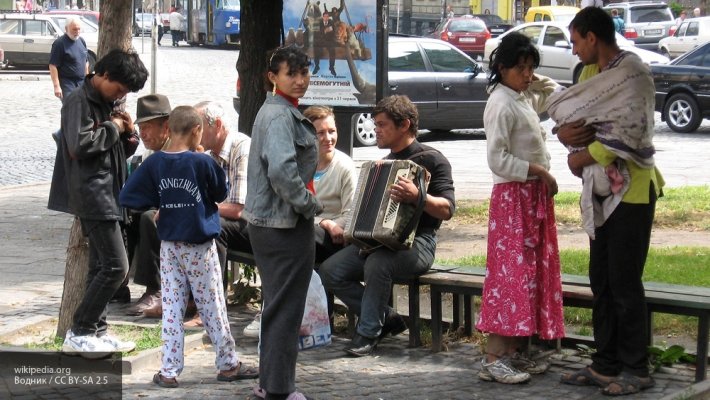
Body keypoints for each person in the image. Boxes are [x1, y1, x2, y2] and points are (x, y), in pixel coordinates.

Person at [556, 7, 663, 396]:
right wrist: (567, 137)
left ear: (591, 37)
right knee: (600, 279)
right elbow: (575, 124)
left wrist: (584, 155)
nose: (573, 50)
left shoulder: (634, 73)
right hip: (599, 193)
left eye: (574, 41)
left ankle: (636, 367)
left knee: (624, 282)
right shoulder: (586, 75)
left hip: (633, 191)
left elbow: (633, 134)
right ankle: (605, 362)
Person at [119, 105, 258, 388]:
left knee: (172, 308)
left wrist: (162, 202)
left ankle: (168, 370)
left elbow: (128, 195)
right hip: (199, 247)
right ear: (196, 131)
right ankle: (228, 363)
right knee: (213, 305)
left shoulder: (155, 163)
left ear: (168, 129)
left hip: (169, 246)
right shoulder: (203, 162)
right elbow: (220, 192)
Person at [319, 94, 456, 357]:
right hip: (377, 243)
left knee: (378, 263)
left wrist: (419, 197)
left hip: (419, 243)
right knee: (330, 270)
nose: (375, 131)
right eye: (376, 124)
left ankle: (368, 333)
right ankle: (387, 318)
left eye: (381, 125)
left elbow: (447, 209)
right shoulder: (384, 163)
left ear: (404, 125)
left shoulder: (433, 160)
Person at [474, 31, 563, 385]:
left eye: (530, 68)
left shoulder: (521, 95)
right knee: (509, 275)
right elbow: (497, 159)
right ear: (501, 67)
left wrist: (533, 75)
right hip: (514, 198)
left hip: (531, 197)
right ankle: (494, 356)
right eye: (520, 68)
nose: (527, 75)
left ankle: (512, 352)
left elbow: (554, 92)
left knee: (527, 274)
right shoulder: (501, 102)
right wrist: (538, 171)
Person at [48, 49, 148, 357]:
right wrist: (114, 128)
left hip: (112, 192)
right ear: (102, 75)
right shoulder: (78, 100)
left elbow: (117, 152)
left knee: (101, 267)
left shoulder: (107, 102)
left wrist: (129, 134)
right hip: (93, 194)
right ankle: (80, 330)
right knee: (118, 266)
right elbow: (79, 145)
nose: (121, 95)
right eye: (119, 89)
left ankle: (97, 332)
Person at [243, 45, 322, 400]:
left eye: (305, 73)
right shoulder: (278, 115)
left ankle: (270, 382)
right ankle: (278, 388)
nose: (301, 80)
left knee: (279, 306)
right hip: (282, 225)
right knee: (285, 310)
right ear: (273, 77)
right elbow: (282, 172)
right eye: (292, 74)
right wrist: (309, 205)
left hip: (276, 222)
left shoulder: (281, 111)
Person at [121, 94, 172, 315]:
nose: (143, 133)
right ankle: (117, 283)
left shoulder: (180, 149)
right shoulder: (151, 153)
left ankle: (156, 289)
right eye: (141, 127)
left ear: (166, 127)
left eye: (149, 127)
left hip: (182, 212)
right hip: (161, 207)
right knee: (124, 214)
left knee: (149, 218)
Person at [193, 101, 252, 284]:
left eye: (199, 127)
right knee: (185, 221)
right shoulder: (211, 156)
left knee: (214, 227)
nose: (195, 133)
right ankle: (186, 298)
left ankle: (212, 306)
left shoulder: (242, 147)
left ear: (217, 125)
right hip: (231, 221)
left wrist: (198, 209)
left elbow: (238, 210)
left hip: (256, 225)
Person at [303, 105, 357, 263]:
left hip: (334, 238)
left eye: (332, 131)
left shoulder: (344, 166)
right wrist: (323, 222)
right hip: (307, 229)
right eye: (320, 133)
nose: (328, 138)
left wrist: (329, 224)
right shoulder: (299, 165)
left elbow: (350, 215)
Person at [49, 18, 89, 101]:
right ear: (66, 29)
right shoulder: (59, 43)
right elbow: (53, 65)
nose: (77, 32)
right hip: (67, 83)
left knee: (83, 108)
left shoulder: (81, 41)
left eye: (79, 29)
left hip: (81, 82)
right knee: (71, 108)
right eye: (74, 29)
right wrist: (56, 86)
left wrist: (87, 81)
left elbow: (85, 62)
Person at [312, 11, 336, 76]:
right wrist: (325, 31)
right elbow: (316, 33)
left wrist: (326, 31)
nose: (326, 18)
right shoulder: (318, 22)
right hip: (320, 40)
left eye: (327, 16)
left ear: (328, 17)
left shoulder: (331, 22)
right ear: (323, 17)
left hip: (329, 40)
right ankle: (317, 66)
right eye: (325, 16)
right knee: (316, 47)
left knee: (332, 50)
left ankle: (331, 67)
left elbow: (333, 32)